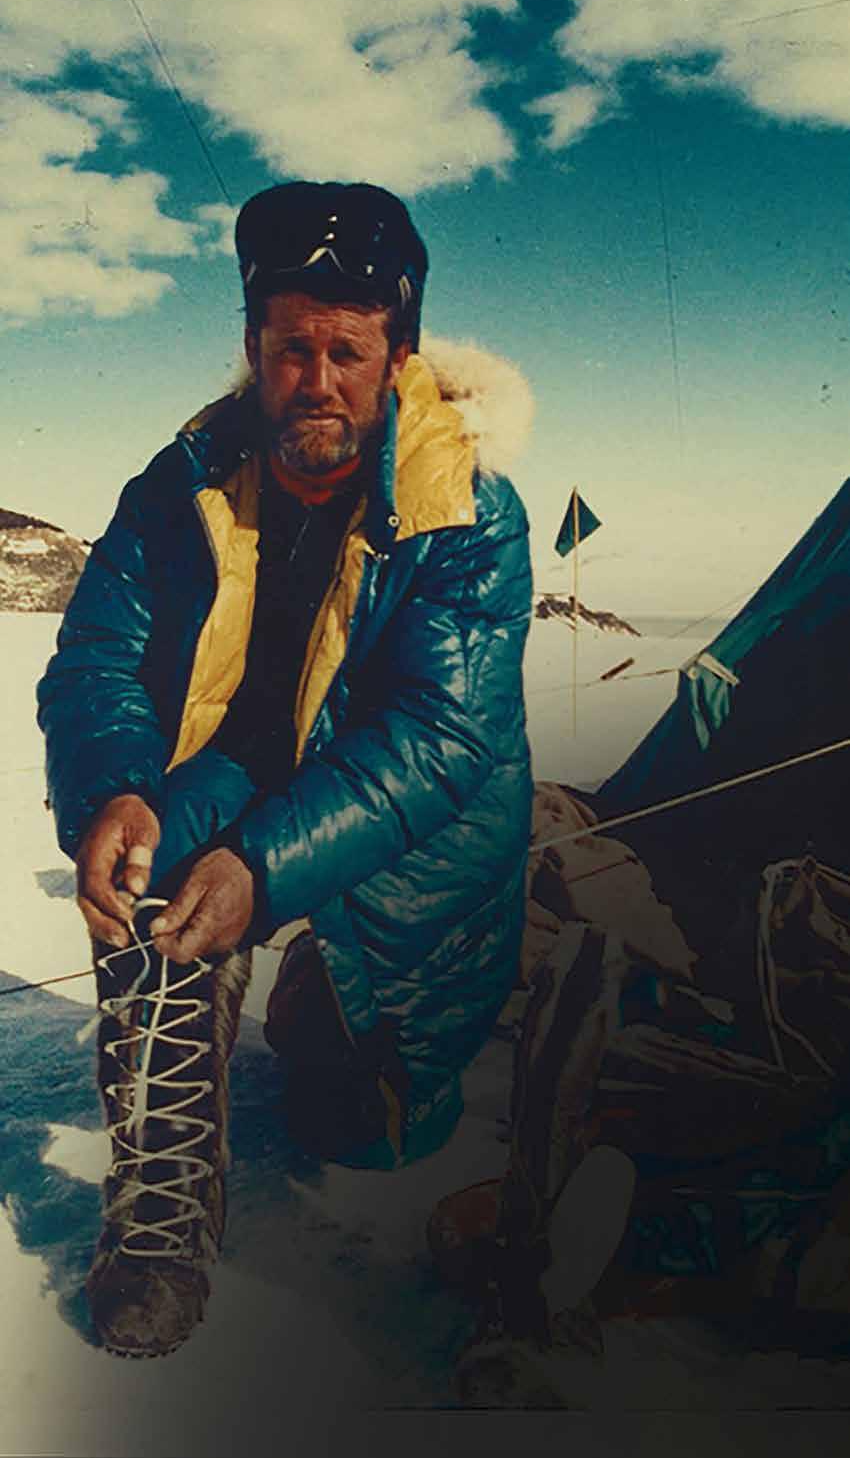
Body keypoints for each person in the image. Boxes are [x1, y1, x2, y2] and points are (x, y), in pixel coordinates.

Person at [37, 180, 534, 1358]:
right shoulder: (181, 480)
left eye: (346, 352)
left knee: (357, 1128)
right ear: (254, 350)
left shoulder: (469, 510)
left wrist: (262, 870)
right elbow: (97, 651)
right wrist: (113, 785)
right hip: (236, 772)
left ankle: (329, 1005)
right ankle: (160, 1207)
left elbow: (438, 735)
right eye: (290, 349)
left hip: (406, 843)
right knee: (151, 879)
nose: (316, 379)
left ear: (397, 359)